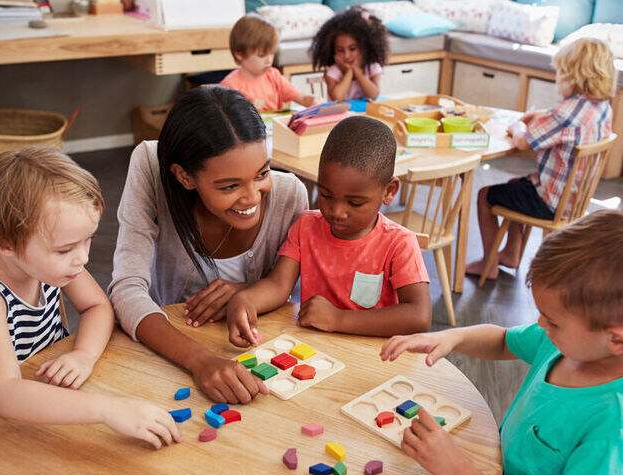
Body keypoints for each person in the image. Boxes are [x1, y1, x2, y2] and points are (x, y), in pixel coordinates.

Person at [381, 209, 623, 475]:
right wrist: (451, 337)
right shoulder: (572, 343)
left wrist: (457, 471)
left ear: (617, 341)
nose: (541, 325)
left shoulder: (615, 426)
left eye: (552, 320)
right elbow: (502, 341)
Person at [0, 146, 181, 454]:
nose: (82, 258)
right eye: (66, 249)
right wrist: (108, 409)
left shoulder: (42, 259)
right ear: (5, 245)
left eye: (88, 239)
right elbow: (5, 394)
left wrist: (84, 355)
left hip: (46, 382)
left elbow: (97, 306)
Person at [108, 86, 309, 403]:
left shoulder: (290, 195)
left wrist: (247, 289)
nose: (252, 197)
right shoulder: (151, 164)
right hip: (168, 347)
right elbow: (126, 288)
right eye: (229, 186)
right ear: (184, 177)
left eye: (262, 173)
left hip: (255, 357)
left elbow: (291, 295)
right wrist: (200, 360)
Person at [226, 116, 431, 346]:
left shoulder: (399, 243)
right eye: (326, 195)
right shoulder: (306, 226)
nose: (336, 212)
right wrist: (245, 299)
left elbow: (419, 316)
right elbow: (279, 285)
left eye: (354, 203)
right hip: (315, 350)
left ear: (389, 191)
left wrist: (339, 319)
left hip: (372, 356)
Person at [466, 38, 615, 280]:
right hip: (574, 199)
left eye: (560, 74)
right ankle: (511, 254)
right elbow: (566, 124)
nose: (557, 80)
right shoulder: (602, 108)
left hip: (550, 203)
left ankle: (489, 263)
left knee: (486, 196)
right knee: (516, 185)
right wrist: (543, 115)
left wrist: (516, 126)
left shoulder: (564, 113)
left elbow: (524, 142)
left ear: (573, 77)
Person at [219, 13, 319, 111]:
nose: (269, 60)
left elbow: (302, 98)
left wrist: (313, 100)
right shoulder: (229, 86)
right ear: (239, 54)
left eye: (271, 54)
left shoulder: (273, 76)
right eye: (262, 55)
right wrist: (247, 110)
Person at [310, 7, 389, 101]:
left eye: (352, 49)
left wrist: (358, 71)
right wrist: (349, 72)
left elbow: (373, 95)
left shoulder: (372, 68)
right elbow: (337, 98)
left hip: (364, 114)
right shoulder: (333, 72)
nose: (346, 55)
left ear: (364, 48)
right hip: (341, 115)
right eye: (340, 50)